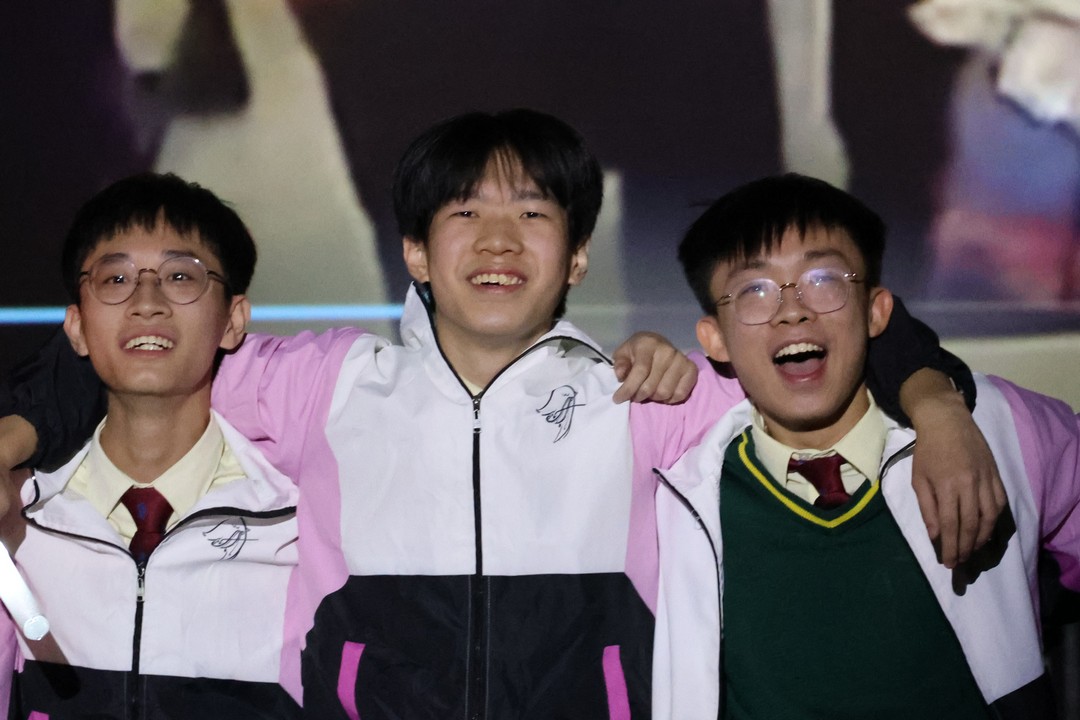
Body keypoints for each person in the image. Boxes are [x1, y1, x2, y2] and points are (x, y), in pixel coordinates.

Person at [0, 111, 1001, 718]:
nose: (497, 242)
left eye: (532, 214)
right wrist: (12, 437)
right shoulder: (325, 383)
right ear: (414, 252)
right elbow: (143, 346)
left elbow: (819, 333)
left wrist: (934, 402)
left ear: (576, 257)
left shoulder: (647, 396)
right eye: (464, 214)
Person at [650, 173, 1079, 718]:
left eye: (823, 279)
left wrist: (942, 405)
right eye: (754, 290)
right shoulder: (675, 480)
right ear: (714, 339)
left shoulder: (1003, 429)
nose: (792, 310)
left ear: (877, 312)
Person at [0, 173, 303, 718]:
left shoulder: (298, 526)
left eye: (180, 276)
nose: (146, 302)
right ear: (76, 328)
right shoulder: (21, 520)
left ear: (233, 320)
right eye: (116, 278)